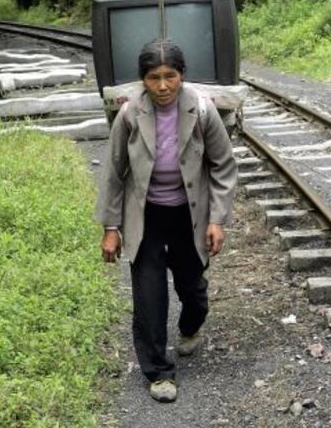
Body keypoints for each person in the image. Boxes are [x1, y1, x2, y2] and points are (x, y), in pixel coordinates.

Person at [95, 40, 237, 403]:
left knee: (193, 289)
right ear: (142, 80)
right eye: (153, 77)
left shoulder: (201, 110)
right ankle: (158, 371)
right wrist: (111, 228)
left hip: (190, 212)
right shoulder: (130, 114)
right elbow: (114, 172)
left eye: (170, 76)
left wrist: (217, 219)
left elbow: (223, 165)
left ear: (181, 76)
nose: (162, 86)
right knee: (148, 295)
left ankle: (190, 326)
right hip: (146, 215)